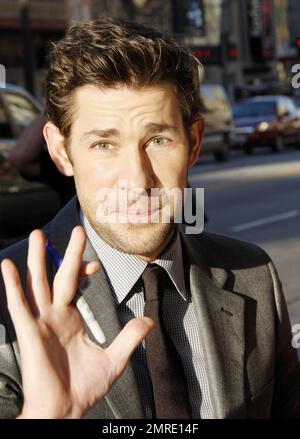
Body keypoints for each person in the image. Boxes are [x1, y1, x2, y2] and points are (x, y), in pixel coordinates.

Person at [0, 18, 300, 419]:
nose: (137, 180)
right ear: (61, 152)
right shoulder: (8, 301)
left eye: (158, 140)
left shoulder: (254, 276)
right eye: (104, 144)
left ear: (193, 143)